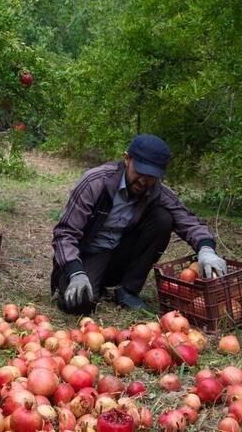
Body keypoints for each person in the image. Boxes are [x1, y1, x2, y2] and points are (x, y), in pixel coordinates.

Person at [50, 134, 228, 314]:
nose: (144, 181)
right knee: (77, 304)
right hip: (88, 254)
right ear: (127, 159)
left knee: (162, 219)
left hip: (120, 254)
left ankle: (127, 289)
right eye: (140, 172)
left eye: (151, 176)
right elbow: (65, 234)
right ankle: (89, 278)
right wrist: (76, 272)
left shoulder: (156, 191)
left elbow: (189, 221)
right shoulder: (95, 182)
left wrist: (206, 250)